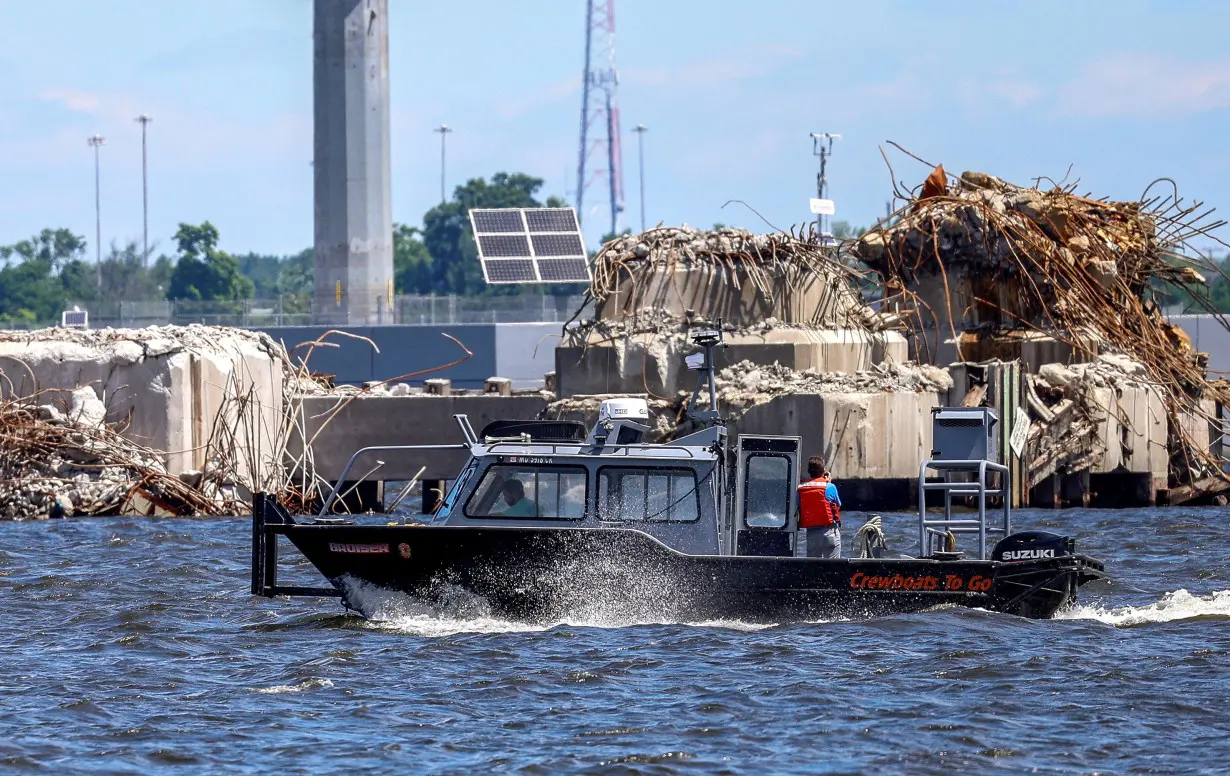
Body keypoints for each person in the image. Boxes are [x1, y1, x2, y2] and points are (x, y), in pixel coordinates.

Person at [797, 456, 841, 558]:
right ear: (823, 471)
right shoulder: (830, 487)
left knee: (813, 567)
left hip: (812, 533)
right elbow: (838, 504)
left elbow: (798, 505)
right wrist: (828, 482)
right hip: (829, 531)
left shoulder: (800, 488)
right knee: (833, 567)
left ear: (809, 471)